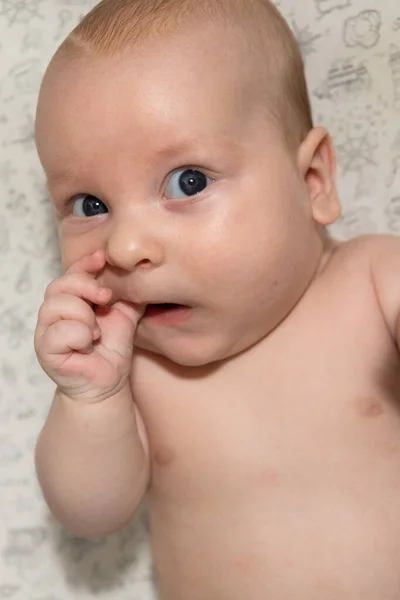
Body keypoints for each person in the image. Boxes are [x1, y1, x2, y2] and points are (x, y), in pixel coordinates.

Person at [33, 1, 400, 598]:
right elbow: (89, 515)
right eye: (90, 205)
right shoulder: (134, 371)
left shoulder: (373, 283)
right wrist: (89, 399)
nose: (125, 246)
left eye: (188, 182)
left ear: (313, 183)